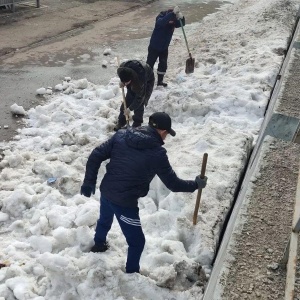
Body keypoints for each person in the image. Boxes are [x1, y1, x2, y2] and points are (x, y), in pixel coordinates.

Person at [80, 112, 208, 274]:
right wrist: (195, 184)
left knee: (105, 220)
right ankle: (132, 274)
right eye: (167, 134)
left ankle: (99, 244)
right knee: (137, 242)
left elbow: (96, 154)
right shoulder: (157, 154)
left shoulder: (121, 135)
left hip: (106, 191)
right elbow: (173, 184)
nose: (166, 137)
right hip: (124, 202)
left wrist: (89, 181)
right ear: (162, 132)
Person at [146, 6, 185, 87]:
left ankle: (160, 81)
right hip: (154, 46)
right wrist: (172, 14)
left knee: (163, 65)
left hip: (164, 47)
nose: (171, 21)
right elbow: (162, 22)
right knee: (149, 65)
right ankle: (146, 81)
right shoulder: (161, 17)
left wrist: (182, 17)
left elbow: (181, 24)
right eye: (171, 18)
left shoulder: (173, 21)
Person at [114, 59, 154, 131]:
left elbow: (139, 99)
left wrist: (130, 109)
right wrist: (122, 82)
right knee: (127, 100)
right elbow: (125, 78)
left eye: (126, 82)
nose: (125, 85)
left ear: (131, 79)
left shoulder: (140, 79)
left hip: (147, 80)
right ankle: (121, 121)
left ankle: (137, 124)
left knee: (140, 104)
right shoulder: (123, 68)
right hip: (133, 76)